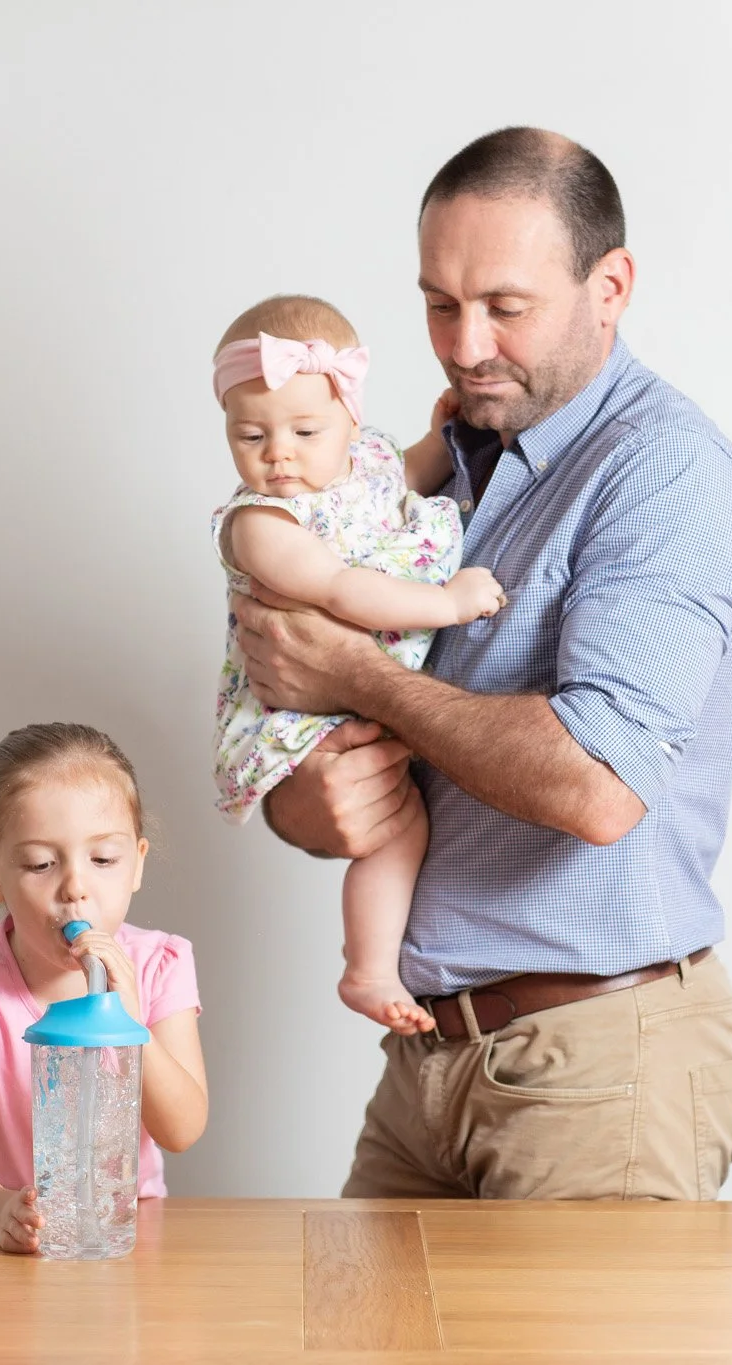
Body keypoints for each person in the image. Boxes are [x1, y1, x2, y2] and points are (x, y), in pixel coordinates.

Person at [234, 128, 732, 1200]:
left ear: (608, 286)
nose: (464, 343)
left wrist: (356, 676)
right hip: (425, 1059)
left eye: (505, 308)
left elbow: (595, 786)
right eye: (438, 304)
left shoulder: (663, 475)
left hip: (597, 1063)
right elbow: (346, 778)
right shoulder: (434, 471)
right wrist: (308, 796)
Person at [209, 293, 505, 1034]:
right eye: (250, 435)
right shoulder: (261, 524)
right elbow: (341, 590)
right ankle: (368, 968)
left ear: (350, 419)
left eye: (306, 430)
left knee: (407, 818)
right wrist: (449, 601)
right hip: (301, 708)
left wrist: (450, 434)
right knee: (394, 823)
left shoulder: (362, 466)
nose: (278, 456)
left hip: (357, 683)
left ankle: (372, 966)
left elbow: (402, 475)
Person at [0, 723, 208, 1252]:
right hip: (20, 1245)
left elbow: (182, 1130)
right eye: (41, 864)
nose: (75, 887)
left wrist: (130, 1021)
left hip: (127, 1237)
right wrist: (2, 1209)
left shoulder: (160, 964)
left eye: (104, 860)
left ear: (137, 863)